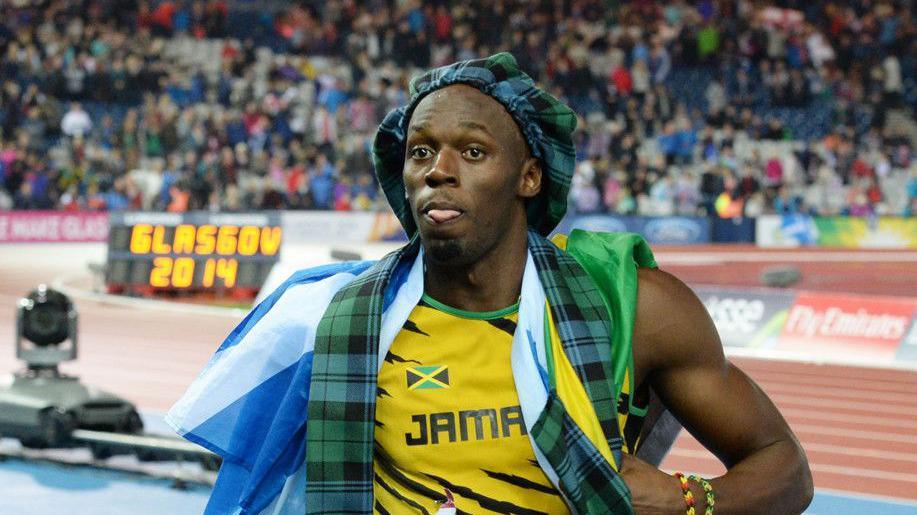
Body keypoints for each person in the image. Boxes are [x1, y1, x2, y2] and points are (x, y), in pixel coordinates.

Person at [168, 53, 812, 514]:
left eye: (472, 152)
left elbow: (785, 468)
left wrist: (687, 500)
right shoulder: (332, 321)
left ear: (529, 177)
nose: (437, 171)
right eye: (420, 151)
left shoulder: (633, 307)